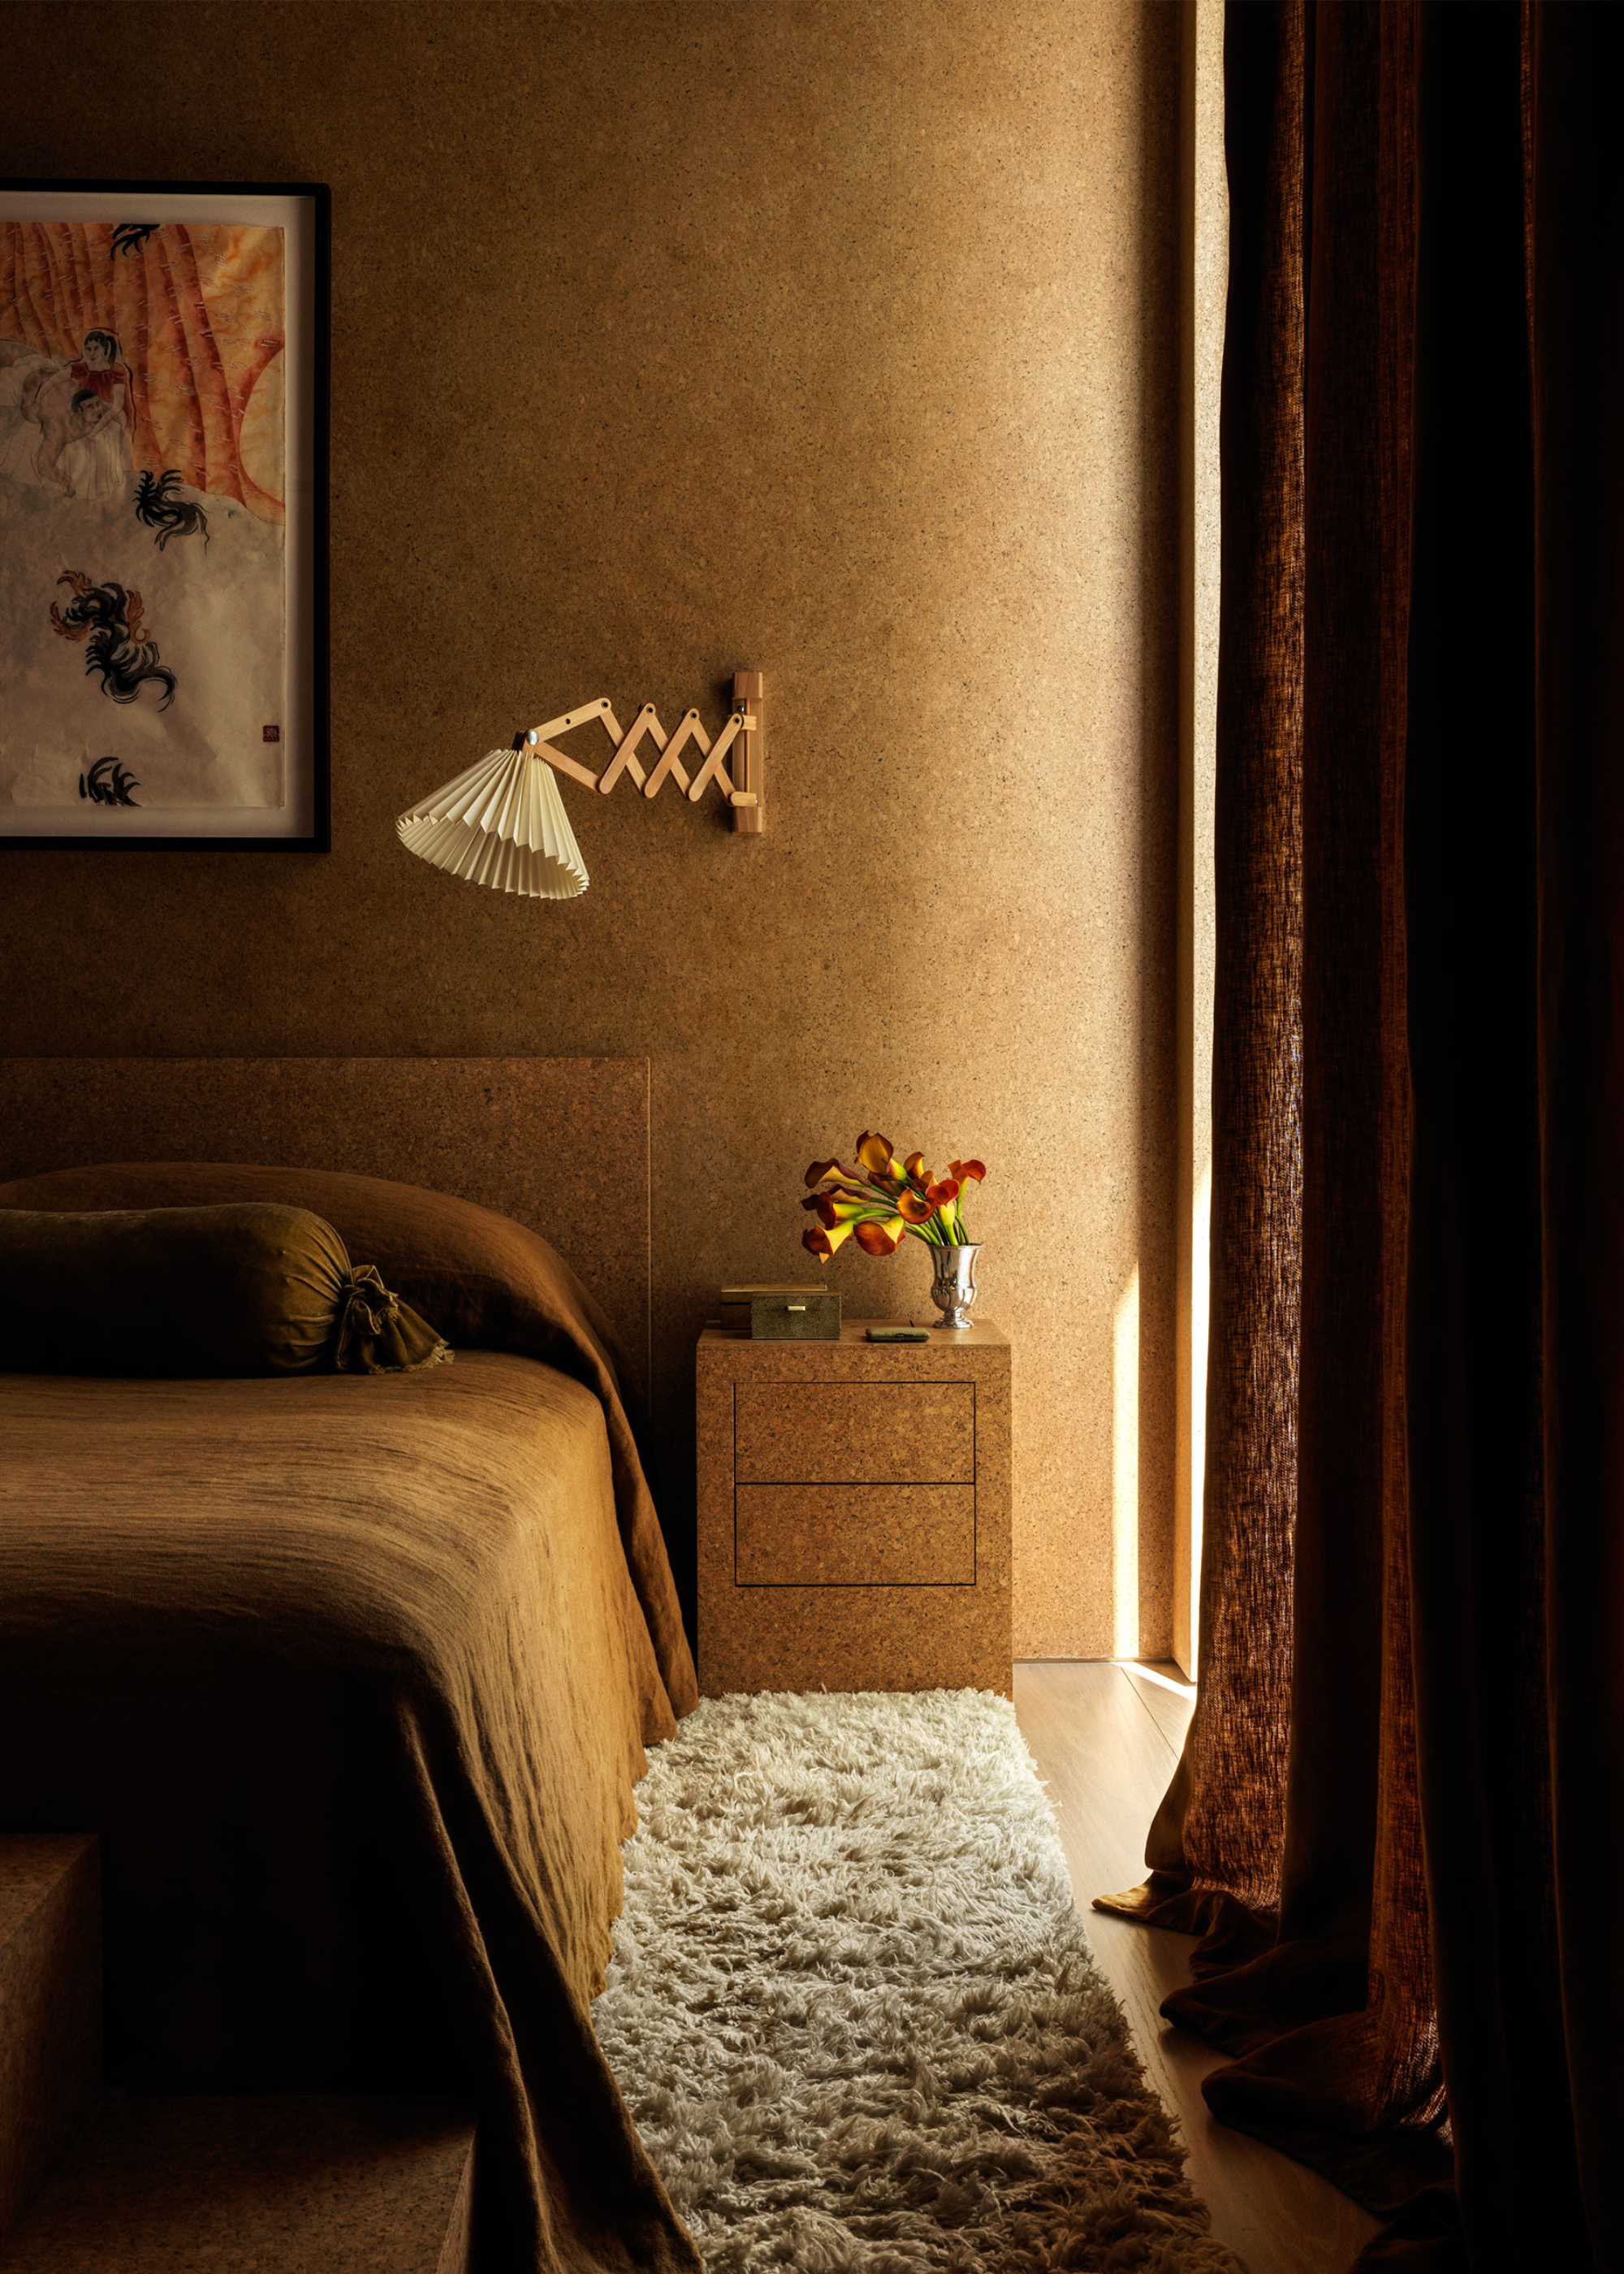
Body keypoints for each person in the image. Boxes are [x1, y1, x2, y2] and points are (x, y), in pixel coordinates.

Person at [0, 328, 132, 499]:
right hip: (41, 367)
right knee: (13, 350)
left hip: (17, 383)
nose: (98, 409)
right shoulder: (85, 404)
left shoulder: (59, 428)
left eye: (96, 406)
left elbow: (45, 464)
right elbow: (118, 414)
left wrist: (67, 483)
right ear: (80, 409)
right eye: (93, 406)